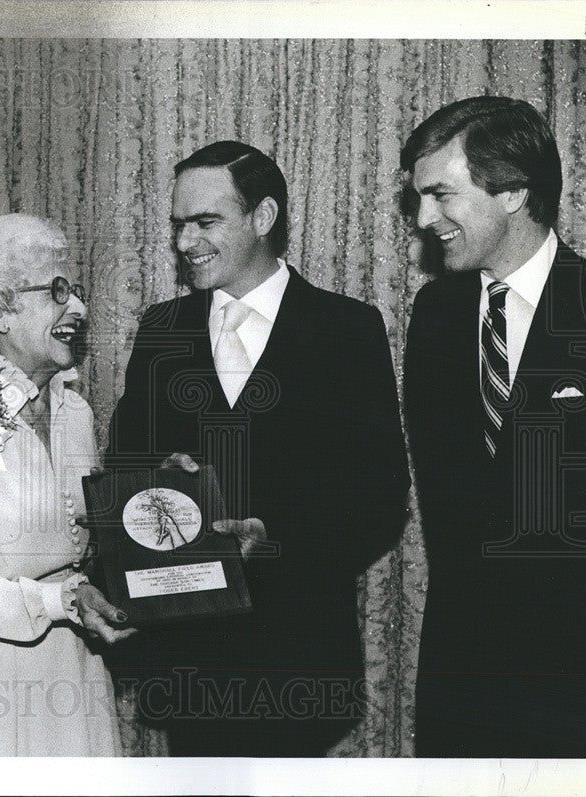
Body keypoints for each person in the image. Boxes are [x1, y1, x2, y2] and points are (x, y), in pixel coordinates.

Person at [105, 141, 409, 757]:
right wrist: (157, 484)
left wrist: (271, 533)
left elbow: (379, 496)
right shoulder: (161, 330)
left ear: (263, 218)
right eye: (178, 226)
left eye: (205, 222)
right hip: (188, 666)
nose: (186, 242)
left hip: (299, 660)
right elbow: (123, 473)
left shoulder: (346, 330)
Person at [401, 96, 586, 757]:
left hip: (583, 688)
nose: (425, 219)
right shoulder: (433, 316)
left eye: (441, 195)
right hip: (461, 683)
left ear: (512, 190)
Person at [0, 214, 132, 756]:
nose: (78, 309)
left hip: (74, 658)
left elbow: (82, 537)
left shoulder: (74, 410)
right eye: (58, 292)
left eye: (75, 291)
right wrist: (64, 600)